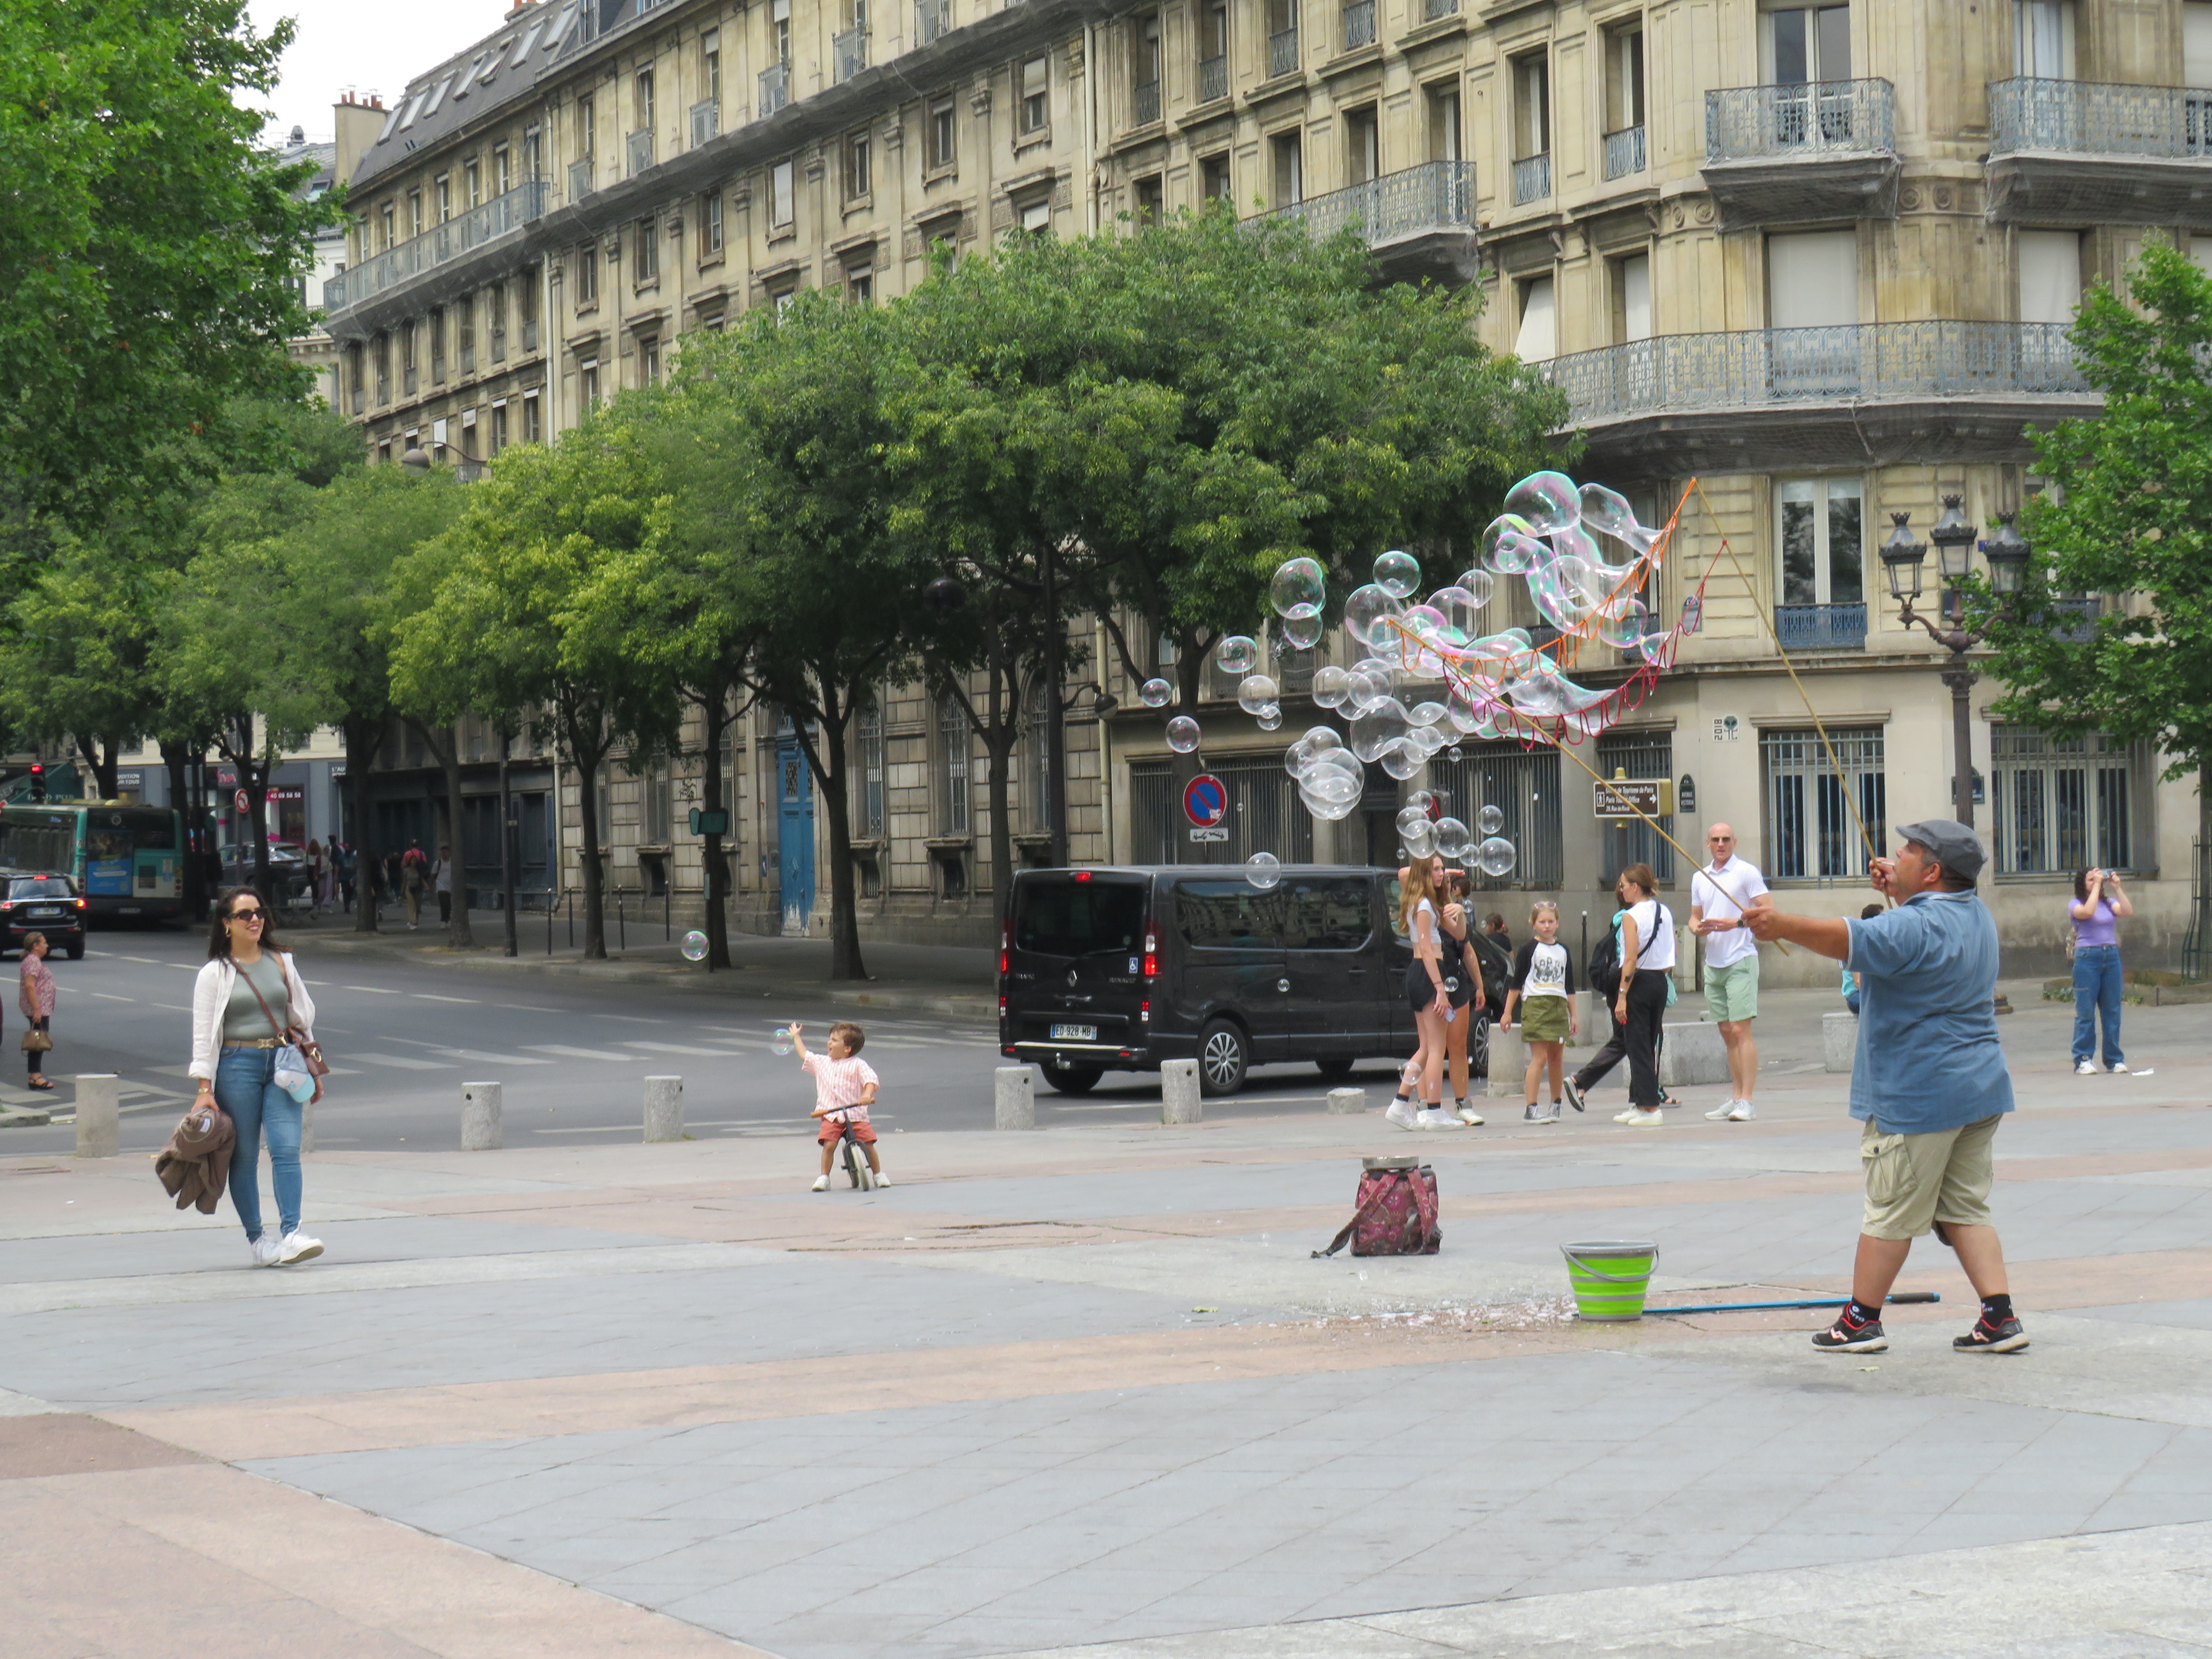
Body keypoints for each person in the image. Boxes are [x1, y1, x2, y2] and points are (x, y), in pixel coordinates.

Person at [1744, 820, 2026, 1355]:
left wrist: (1780, 923)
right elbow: (1914, 943)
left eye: (1909, 852)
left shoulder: (1912, 927)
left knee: (1889, 1210)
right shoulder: (1975, 914)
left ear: (1934, 871)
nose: (1896, 856)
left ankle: (1861, 1321)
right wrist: (1900, 891)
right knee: (1963, 1207)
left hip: (1920, 1094)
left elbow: (1854, 937)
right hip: (1979, 1086)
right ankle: (1999, 1317)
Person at [188, 888, 324, 1268]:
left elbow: (302, 1016)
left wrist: (312, 1062)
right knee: (244, 1156)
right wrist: (204, 1088)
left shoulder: (281, 962)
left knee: (286, 1147)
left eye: (259, 912)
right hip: (236, 1064)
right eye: (245, 914)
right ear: (226, 924)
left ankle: (293, 1233)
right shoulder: (215, 973)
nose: (254, 919)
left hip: (283, 1063)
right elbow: (204, 1035)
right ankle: (259, 1242)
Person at [1565, 864, 1674, 1126]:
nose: (1621, 889)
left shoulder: (1631, 916)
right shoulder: (1664, 911)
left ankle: (1649, 1107)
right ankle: (1640, 1104)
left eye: (1624, 885)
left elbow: (1630, 959)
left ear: (1636, 886)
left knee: (1638, 1046)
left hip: (1637, 981)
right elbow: (1671, 954)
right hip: (1660, 979)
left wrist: (1622, 996)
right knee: (1645, 1042)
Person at [1690, 823, 1767, 1123]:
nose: (1721, 844)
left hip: (1741, 959)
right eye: (1715, 840)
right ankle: (1736, 1097)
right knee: (1726, 1032)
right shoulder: (1700, 876)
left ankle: (1747, 1100)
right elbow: (1695, 916)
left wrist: (1735, 924)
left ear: (1734, 842)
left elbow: (1766, 910)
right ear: (1708, 844)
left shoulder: (1746, 873)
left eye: (1726, 839)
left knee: (1740, 1030)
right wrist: (1698, 927)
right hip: (1714, 962)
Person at [1385, 859, 1464, 1131]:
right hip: (1429, 972)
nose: (1441, 874)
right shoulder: (1423, 905)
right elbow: (1429, 951)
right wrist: (1440, 989)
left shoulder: (1428, 903)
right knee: (1435, 1048)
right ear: (1423, 873)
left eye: (1443, 869)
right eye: (1435, 869)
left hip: (1420, 973)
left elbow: (1460, 933)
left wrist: (1460, 910)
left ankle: (1399, 1104)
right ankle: (1433, 1111)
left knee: (1425, 1047)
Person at [1500, 901, 1577, 1124]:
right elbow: (1516, 983)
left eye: (1551, 922)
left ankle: (1556, 1104)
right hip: (1535, 1004)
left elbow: (1569, 985)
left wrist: (1575, 1014)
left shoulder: (1563, 950)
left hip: (1558, 1004)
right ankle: (1531, 1107)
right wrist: (1507, 1012)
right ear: (1534, 924)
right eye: (1542, 922)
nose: (1547, 926)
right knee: (1540, 1057)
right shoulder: (1528, 950)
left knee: (1557, 1057)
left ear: (1558, 923)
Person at [793, 1019, 888, 1191]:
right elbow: (804, 1055)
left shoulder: (858, 1064)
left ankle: (878, 1174)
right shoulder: (822, 1063)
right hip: (831, 1114)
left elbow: (870, 1080)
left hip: (856, 1114)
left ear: (847, 1049)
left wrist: (867, 1094)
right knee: (829, 1145)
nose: (829, 1042)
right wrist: (796, 1037)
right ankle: (824, 1177)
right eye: (830, 1039)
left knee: (868, 1144)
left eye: (835, 1040)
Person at [2070, 866, 2134, 1075]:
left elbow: (2127, 911)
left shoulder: (2108, 903)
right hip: (2087, 958)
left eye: (2097, 878)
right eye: (2090, 879)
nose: (2096, 881)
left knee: (2112, 1010)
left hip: (2111, 956)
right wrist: (2097, 885)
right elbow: (2088, 913)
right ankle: (2084, 1059)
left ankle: (2114, 1059)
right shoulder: (2076, 904)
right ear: (2083, 884)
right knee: (2086, 1011)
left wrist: (2117, 888)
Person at [1435, 865, 1486, 1126]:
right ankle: (1427, 1106)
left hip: (1457, 983)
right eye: (1437, 874)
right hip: (1433, 984)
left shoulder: (1453, 911)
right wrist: (1427, 865)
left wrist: (1479, 985)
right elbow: (1405, 875)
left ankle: (1463, 1104)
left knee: (1458, 1047)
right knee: (1431, 1050)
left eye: (1446, 878)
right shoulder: (1422, 907)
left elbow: (1467, 949)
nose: (1444, 882)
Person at [18, 933, 54, 1092]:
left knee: (38, 1039)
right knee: (38, 1041)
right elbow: (30, 986)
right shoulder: (33, 961)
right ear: (36, 945)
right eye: (44, 943)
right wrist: (37, 1009)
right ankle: (35, 1076)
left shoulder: (33, 961)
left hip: (41, 1007)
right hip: (38, 1008)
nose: (47, 946)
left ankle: (35, 1074)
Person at [1842, 903, 1884, 1014]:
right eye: (1883, 919)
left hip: (1872, 992)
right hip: (1856, 994)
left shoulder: (1877, 942)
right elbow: (1859, 982)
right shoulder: (1858, 943)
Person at [402, 841, 428, 930]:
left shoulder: (407, 853)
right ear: (418, 846)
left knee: (415, 905)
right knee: (413, 905)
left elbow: (403, 864)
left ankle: (414, 921)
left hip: (417, 886)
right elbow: (425, 864)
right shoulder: (422, 854)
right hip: (411, 887)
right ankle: (414, 921)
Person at [433, 842, 456, 925]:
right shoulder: (438, 863)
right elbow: (433, 874)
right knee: (443, 902)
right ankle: (444, 919)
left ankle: (447, 918)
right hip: (441, 886)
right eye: (443, 852)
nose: (444, 854)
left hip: (451, 886)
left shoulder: (453, 862)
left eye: (446, 852)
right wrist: (430, 885)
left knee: (449, 904)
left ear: (449, 852)